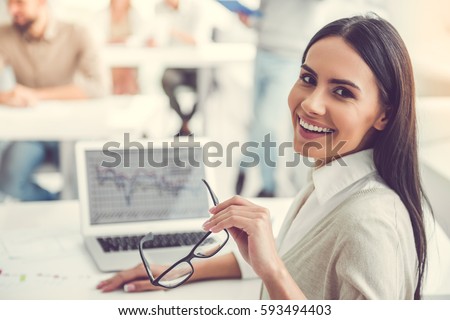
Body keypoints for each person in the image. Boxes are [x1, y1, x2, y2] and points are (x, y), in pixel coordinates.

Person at [96, 14, 430, 299]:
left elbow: (280, 267)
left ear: (384, 114)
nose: (311, 104)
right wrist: (174, 270)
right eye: (308, 79)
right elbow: (294, 258)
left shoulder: (369, 224)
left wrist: (272, 272)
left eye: (342, 92)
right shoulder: (330, 180)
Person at [0, 0, 107, 201]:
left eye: (20, 3)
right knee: (9, 180)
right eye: (9, 3)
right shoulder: (4, 35)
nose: (12, 10)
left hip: (72, 130)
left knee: (83, 184)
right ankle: (56, 203)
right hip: (31, 133)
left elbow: (98, 87)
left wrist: (37, 95)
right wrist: (6, 97)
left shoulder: (78, 33)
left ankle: (72, 208)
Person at [235, 0, 323, 198]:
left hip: (287, 57)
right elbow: (266, 16)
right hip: (262, 51)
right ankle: (245, 164)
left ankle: (269, 185)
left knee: (268, 123)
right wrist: (250, 21)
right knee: (256, 120)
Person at [151, 0, 210, 136]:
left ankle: (185, 123)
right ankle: (185, 122)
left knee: (206, 86)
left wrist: (173, 31)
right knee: (166, 81)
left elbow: (197, 40)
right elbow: (159, 37)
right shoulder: (159, 8)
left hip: (197, 67)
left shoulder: (197, 7)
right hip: (176, 67)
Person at [94, 0, 147, 95]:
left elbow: (140, 36)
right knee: (116, 77)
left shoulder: (135, 14)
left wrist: (125, 41)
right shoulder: (101, 15)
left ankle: (128, 91)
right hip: (111, 57)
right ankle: (118, 92)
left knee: (127, 73)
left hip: (129, 58)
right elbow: (97, 37)